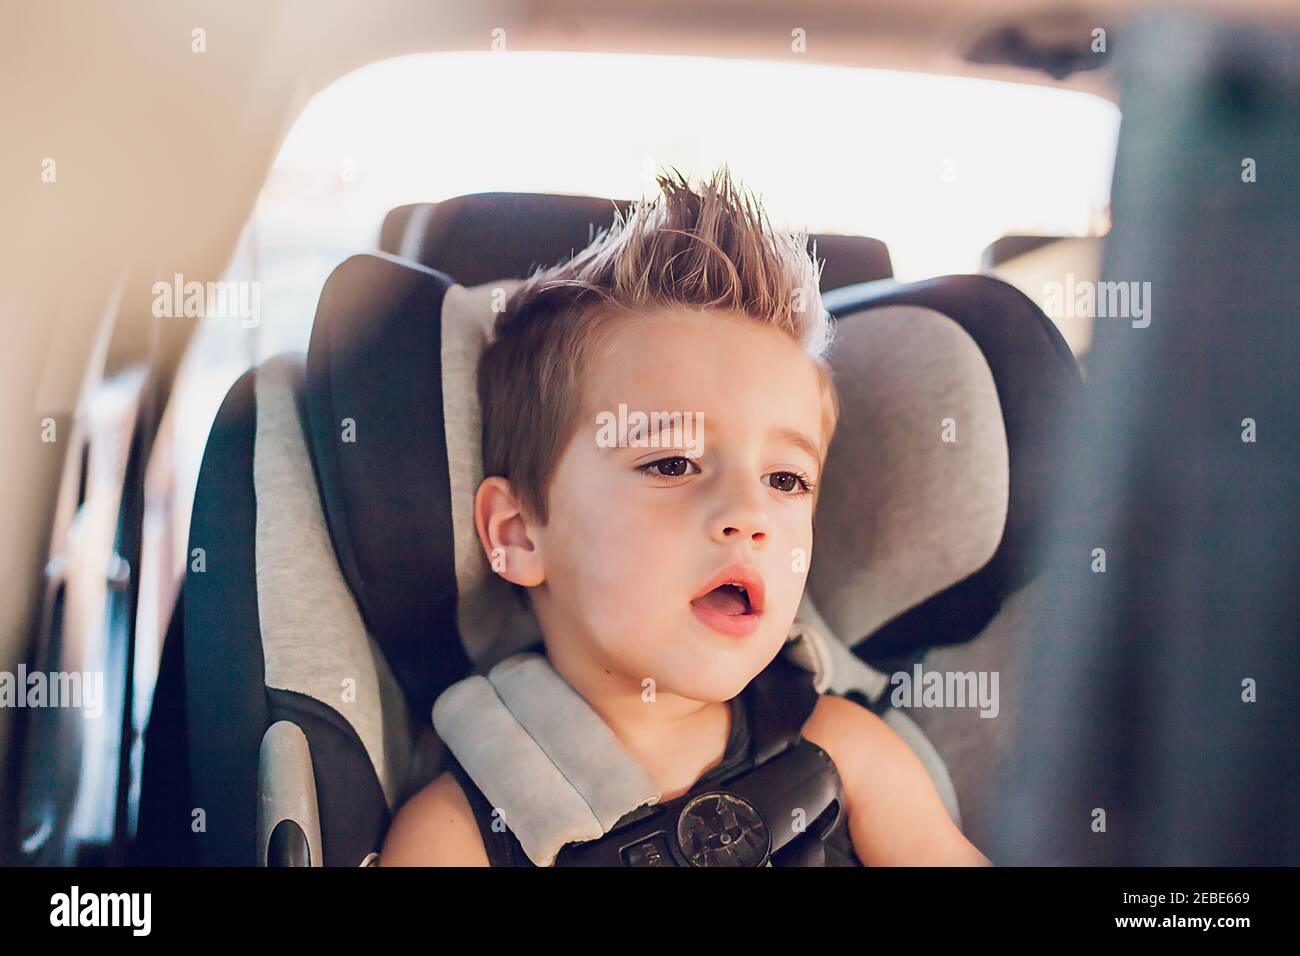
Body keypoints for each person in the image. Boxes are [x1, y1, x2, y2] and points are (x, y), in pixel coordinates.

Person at [380, 166, 990, 866]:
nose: (749, 514)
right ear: (518, 533)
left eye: (786, 479)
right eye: (672, 463)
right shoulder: (456, 836)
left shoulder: (846, 754)